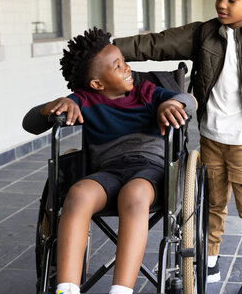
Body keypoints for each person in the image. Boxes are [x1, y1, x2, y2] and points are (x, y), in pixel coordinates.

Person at [113, 0, 242, 294]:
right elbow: (157, 43)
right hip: (211, 140)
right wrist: (112, 47)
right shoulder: (203, 34)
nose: (222, 4)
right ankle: (209, 265)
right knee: (210, 206)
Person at [22, 27, 196, 294]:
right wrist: (55, 106)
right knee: (78, 194)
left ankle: (121, 290)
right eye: (118, 66)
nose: (128, 69)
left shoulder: (148, 93)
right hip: (107, 172)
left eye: (124, 62)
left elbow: (189, 100)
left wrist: (172, 105)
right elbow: (30, 123)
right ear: (97, 84)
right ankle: (66, 288)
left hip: (150, 170)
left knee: (134, 194)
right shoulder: (84, 100)